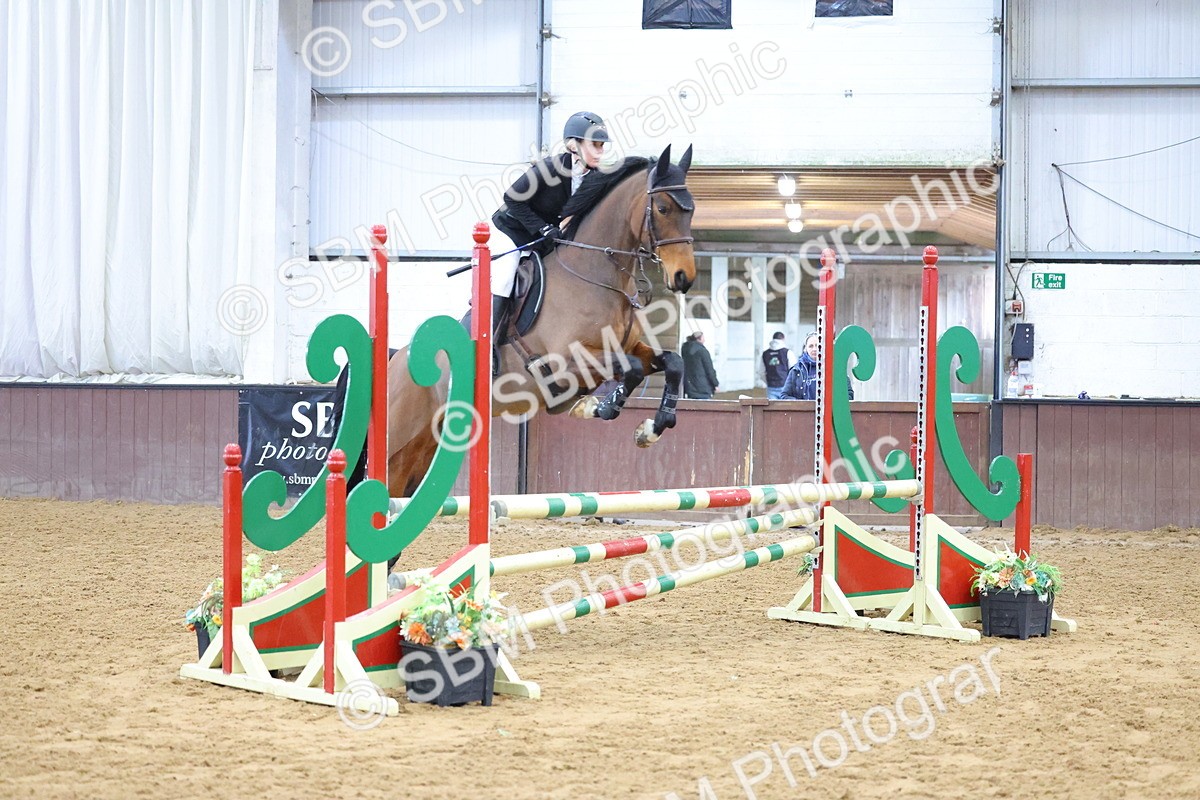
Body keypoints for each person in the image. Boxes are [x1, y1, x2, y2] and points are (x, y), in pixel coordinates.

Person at [488, 112, 610, 366]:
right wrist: (542, 228)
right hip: (511, 232)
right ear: (574, 145)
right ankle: (488, 345)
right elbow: (512, 198)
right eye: (594, 145)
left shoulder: (597, 178)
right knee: (505, 278)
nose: (599, 152)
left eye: (601, 146)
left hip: (545, 239)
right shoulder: (550, 168)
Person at [780, 332, 854, 401]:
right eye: (811, 346)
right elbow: (784, 395)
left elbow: (849, 394)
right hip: (804, 414)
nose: (814, 349)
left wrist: (833, 405)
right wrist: (802, 406)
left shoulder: (836, 368)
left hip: (830, 414)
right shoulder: (796, 370)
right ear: (805, 349)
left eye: (818, 346)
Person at [681, 331, 719, 399]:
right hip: (703, 388)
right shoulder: (702, 351)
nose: (704, 340)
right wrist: (715, 384)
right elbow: (709, 370)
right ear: (699, 339)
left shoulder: (685, 350)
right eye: (703, 338)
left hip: (689, 387)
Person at [758, 331, 793, 400]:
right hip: (785, 386)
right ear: (783, 339)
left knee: (772, 410)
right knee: (786, 409)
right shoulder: (787, 352)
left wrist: (768, 381)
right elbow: (793, 370)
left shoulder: (765, 354)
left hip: (771, 387)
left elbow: (761, 372)